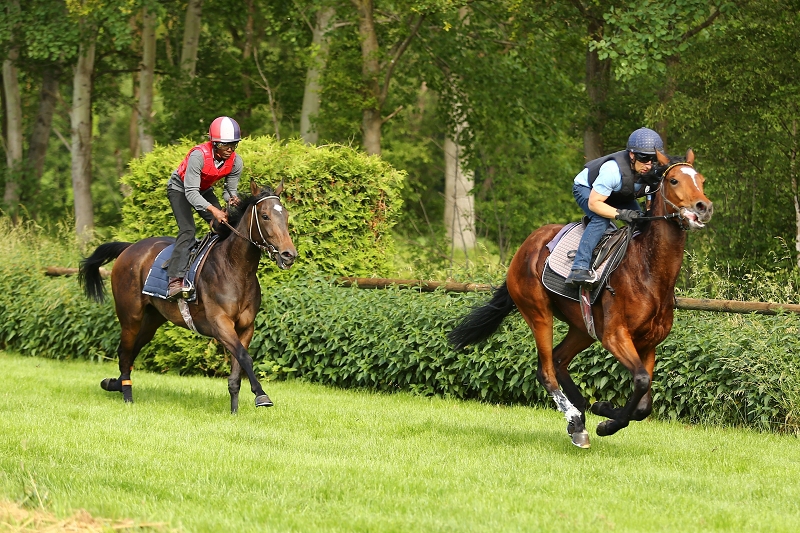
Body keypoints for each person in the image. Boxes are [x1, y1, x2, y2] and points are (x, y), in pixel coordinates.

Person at [564, 127, 664, 287]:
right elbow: (594, 204)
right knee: (601, 220)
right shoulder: (612, 170)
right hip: (589, 191)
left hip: (618, 193)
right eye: (645, 158)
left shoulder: (651, 170)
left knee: (643, 222)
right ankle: (579, 268)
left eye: (654, 159)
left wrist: (646, 214)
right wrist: (621, 213)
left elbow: (650, 200)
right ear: (632, 155)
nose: (649, 165)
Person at [164, 116, 244, 299]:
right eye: (224, 145)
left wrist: (233, 199)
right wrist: (214, 210)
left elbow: (229, 191)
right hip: (180, 188)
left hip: (203, 189)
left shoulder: (236, 162)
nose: (229, 149)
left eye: (233, 144)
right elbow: (191, 193)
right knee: (188, 230)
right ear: (214, 143)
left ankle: (214, 268)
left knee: (222, 225)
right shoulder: (198, 156)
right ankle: (174, 280)